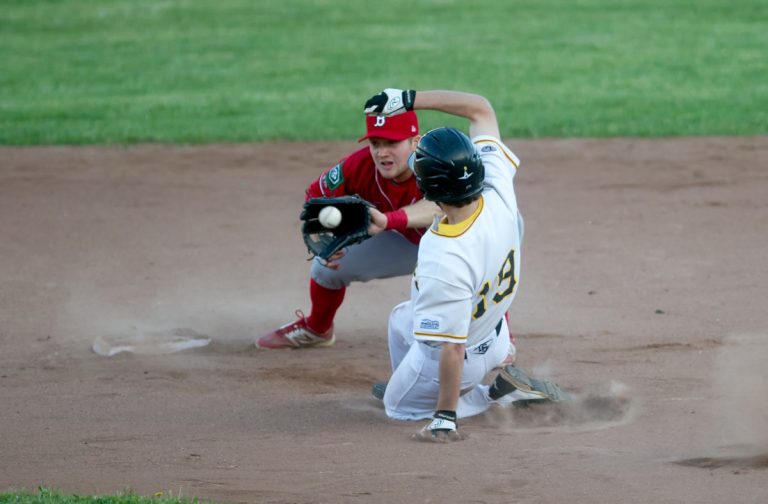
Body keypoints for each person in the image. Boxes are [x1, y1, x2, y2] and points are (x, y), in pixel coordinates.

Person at [365, 88, 564, 441]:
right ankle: (422, 387)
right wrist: (408, 99)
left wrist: (445, 416)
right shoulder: (496, 187)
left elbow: (452, 348)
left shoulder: (444, 254)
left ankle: (494, 396)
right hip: (495, 336)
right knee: (401, 319)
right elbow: (481, 109)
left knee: (397, 408)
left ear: (428, 190)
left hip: (465, 355)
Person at [256, 109, 441, 349]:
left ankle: (485, 335)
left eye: (392, 143)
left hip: (454, 247)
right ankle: (317, 329)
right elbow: (316, 196)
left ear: (415, 142)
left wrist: (389, 220)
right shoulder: (361, 165)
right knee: (327, 267)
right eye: (375, 143)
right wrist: (324, 234)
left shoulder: (437, 164)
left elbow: (441, 207)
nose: (382, 152)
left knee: (469, 278)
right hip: (409, 245)